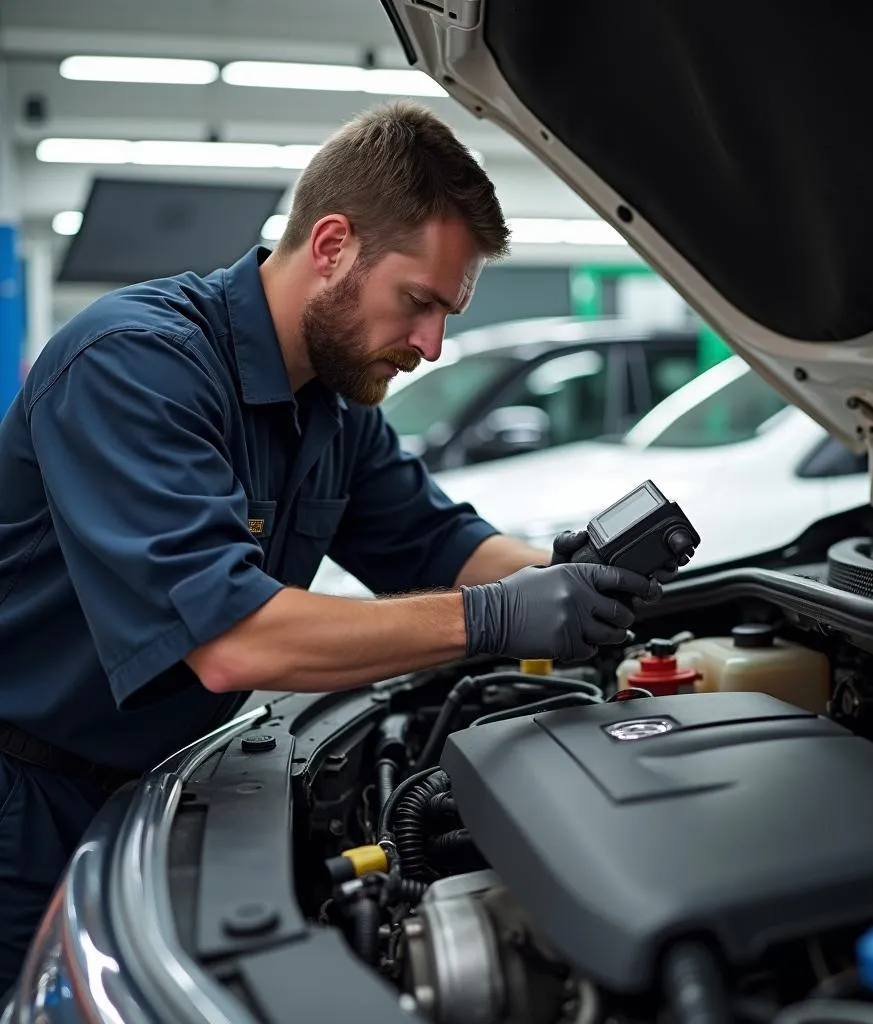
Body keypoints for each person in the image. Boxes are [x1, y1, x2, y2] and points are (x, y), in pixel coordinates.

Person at [0, 100, 669, 992]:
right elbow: (238, 641)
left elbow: (440, 543)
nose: (432, 345)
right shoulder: (133, 363)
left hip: (154, 791)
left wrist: (572, 575)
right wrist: (499, 618)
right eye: (419, 303)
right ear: (331, 246)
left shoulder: (336, 409)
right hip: (24, 807)